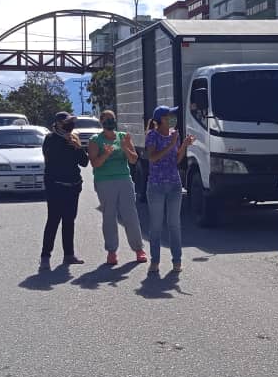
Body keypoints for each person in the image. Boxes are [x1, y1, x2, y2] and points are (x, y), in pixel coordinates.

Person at [89, 110, 146, 265]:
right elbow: (95, 164)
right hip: (105, 182)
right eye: (107, 120)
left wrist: (125, 147)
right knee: (109, 216)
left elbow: (134, 160)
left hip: (124, 179)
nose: (110, 122)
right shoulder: (95, 140)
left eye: (112, 119)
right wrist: (106, 154)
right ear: (101, 121)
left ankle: (139, 249)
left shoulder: (123, 137)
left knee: (130, 215)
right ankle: (111, 251)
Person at [145, 106, 195, 274]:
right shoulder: (152, 135)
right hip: (156, 186)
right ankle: (155, 261)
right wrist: (171, 144)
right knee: (156, 226)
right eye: (169, 115)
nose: (173, 118)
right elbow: (152, 158)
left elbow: (177, 159)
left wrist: (184, 145)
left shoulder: (175, 134)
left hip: (174, 184)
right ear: (161, 120)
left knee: (174, 225)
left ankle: (177, 261)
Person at [40, 112, 89, 269]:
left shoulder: (74, 139)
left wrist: (77, 147)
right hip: (55, 186)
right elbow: (52, 159)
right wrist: (65, 141)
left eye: (71, 122)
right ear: (58, 124)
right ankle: (45, 256)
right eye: (67, 122)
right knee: (53, 220)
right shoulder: (50, 139)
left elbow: (84, 162)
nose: (70, 125)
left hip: (73, 186)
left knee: (69, 221)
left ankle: (69, 255)